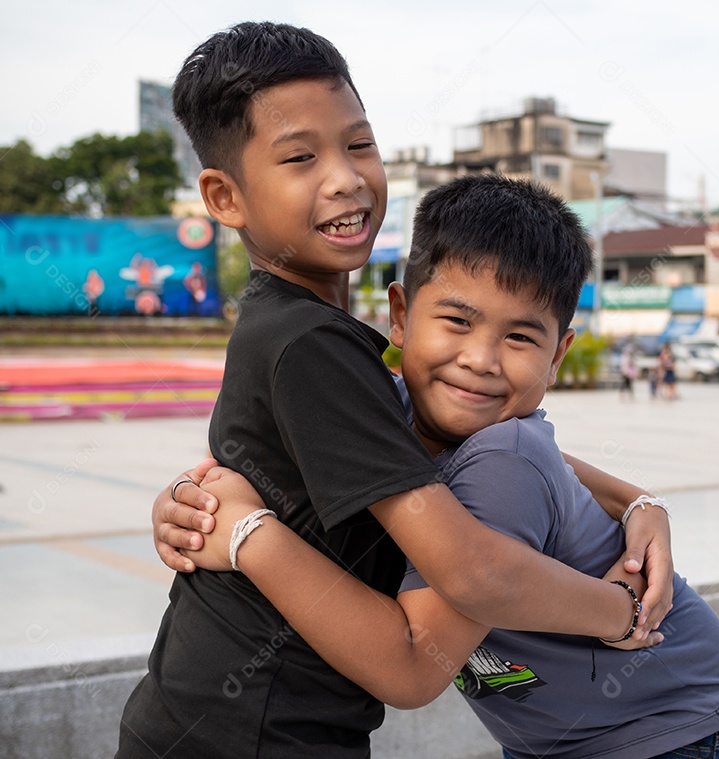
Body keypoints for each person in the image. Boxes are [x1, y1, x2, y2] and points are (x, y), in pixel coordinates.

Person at [118, 24, 672, 759]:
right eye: (300, 157)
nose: (345, 178)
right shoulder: (311, 345)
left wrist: (634, 501)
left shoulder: (303, 329)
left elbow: (444, 447)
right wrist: (622, 611)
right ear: (225, 196)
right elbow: (468, 575)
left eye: (358, 144)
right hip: (249, 733)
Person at [170, 175, 719, 759]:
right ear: (400, 315)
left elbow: (411, 668)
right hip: (566, 735)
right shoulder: (389, 409)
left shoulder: (503, 463)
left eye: (519, 337)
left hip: (666, 726)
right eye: (457, 321)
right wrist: (188, 505)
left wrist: (246, 534)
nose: (480, 360)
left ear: (557, 356)